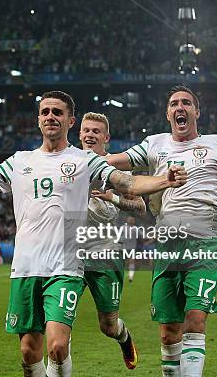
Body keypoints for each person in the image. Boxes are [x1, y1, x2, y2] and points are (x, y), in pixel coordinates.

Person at [0, 91, 187, 377]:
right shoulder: (19, 161)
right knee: (28, 351)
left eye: (58, 112)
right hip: (26, 268)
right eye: (45, 112)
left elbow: (127, 181)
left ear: (69, 120)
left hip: (66, 267)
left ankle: (122, 338)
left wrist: (164, 180)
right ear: (38, 119)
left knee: (59, 346)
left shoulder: (84, 161)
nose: (51, 116)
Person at [106, 85, 217, 377]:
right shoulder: (153, 145)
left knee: (194, 320)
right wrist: (74, 160)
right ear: (168, 113)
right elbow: (109, 162)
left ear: (196, 112)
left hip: (205, 245)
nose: (180, 107)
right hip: (167, 248)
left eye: (186, 103)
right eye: (174, 104)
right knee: (168, 333)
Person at [78, 112, 145, 369]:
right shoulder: (67, 163)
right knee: (58, 324)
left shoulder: (115, 171)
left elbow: (140, 207)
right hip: (70, 254)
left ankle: (124, 338)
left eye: (96, 131)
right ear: (79, 134)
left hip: (105, 254)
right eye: (86, 130)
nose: (90, 135)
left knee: (108, 326)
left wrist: (113, 199)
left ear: (106, 137)